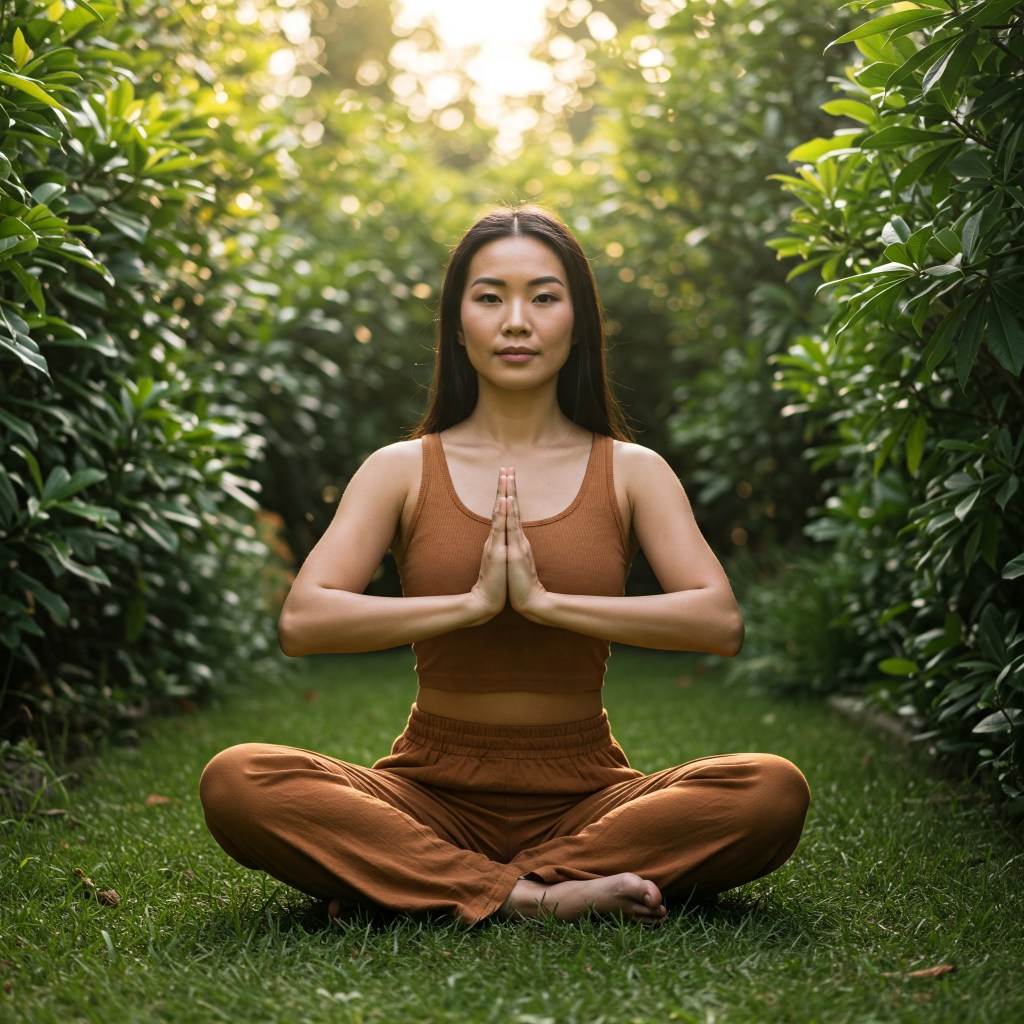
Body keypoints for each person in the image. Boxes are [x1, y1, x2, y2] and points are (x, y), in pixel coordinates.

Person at [199, 205, 809, 926]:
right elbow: (305, 620)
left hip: (590, 799)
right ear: (459, 326)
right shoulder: (400, 469)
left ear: (577, 323)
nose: (516, 321)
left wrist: (545, 604)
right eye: (490, 297)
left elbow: (717, 620)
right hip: (425, 794)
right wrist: (473, 604)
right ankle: (539, 897)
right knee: (238, 779)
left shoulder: (632, 471)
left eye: (544, 297)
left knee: (773, 790)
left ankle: (414, 884)